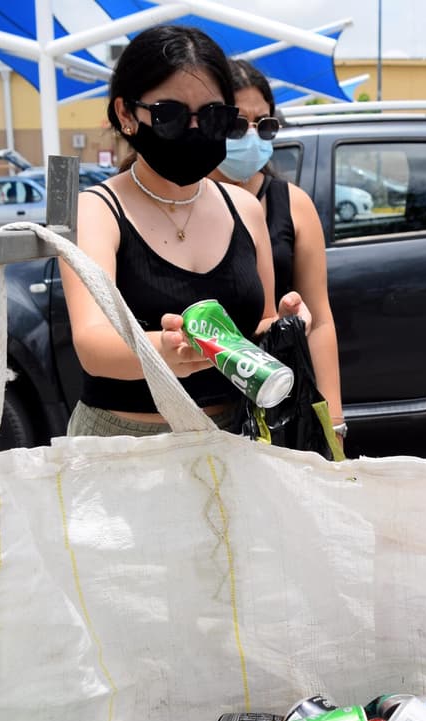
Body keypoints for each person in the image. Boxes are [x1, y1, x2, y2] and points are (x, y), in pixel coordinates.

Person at [59, 26, 307, 437]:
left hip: (235, 437)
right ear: (125, 114)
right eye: (170, 115)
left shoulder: (244, 209)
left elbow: (258, 326)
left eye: (212, 117)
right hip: (125, 444)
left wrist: (287, 325)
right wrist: (165, 351)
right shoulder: (97, 211)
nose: (194, 131)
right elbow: (92, 344)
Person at [208, 59, 344, 435]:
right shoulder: (185, 204)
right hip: (205, 405)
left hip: (281, 404)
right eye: (237, 125)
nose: (251, 138)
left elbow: (320, 321)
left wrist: (333, 421)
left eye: (264, 125)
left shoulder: (293, 203)